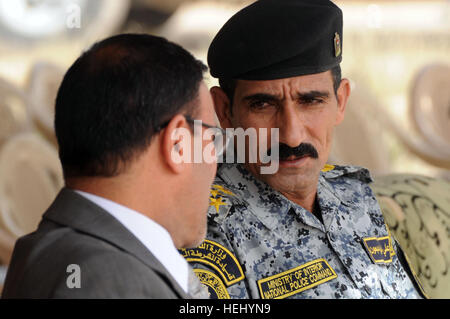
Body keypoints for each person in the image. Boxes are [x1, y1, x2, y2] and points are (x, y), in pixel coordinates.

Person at [180, 0, 424, 299]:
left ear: (341, 102)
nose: (292, 137)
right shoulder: (201, 230)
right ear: (225, 110)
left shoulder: (353, 196)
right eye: (263, 105)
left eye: (311, 101)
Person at [2, 34, 216, 298]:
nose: (215, 162)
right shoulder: (111, 280)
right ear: (177, 143)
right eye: (212, 140)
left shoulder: (52, 251)